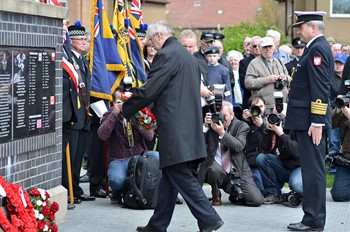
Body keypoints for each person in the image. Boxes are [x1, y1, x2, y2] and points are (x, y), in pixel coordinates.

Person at [119, 21, 223, 232]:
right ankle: (157, 225)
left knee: (180, 175)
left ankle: (209, 218)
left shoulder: (166, 55)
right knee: (169, 176)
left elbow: (151, 90)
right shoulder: (188, 57)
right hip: (187, 127)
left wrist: (126, 106)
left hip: (175, 128)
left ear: (158, 36)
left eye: (151, 40)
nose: (151, 44)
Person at [285, 11, 333, 231]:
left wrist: (317, 122)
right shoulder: (314, 48)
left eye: (301, 26)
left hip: (310, 123)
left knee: (313, 172)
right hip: (306, 120)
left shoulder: (317, 49)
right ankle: (311, 218)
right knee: (311, 171)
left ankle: (313, 221)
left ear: (313, 28)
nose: (298, 30)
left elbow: (320, 89)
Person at [97, 87, 159, 204]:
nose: (123, 105)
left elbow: (150, 136)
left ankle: (149, 190)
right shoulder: (109, 115)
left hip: (139, 156)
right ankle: (118, 191)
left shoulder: (138, 113)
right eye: (119, 102)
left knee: (159, 158)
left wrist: (135, 118)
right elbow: (102, 135)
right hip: (119, 159)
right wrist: (114, 115)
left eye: (126, 101)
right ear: (114, 103)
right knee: (116, 180)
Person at [197, 101, 264, 207]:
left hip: (238, 170)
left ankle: (235, 194)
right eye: (219, 115)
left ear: (232, 115)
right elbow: (197, 143)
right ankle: (216, 195)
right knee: (213, 170)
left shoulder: (242, 126)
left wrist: (222, 133)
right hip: (218, 169)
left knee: (257, 200)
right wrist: (205, 125)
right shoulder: (212, 125)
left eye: (225, 116)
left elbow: (239, 146)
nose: (221, 119)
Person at [62, 23, 95, 202]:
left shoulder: (82, 61)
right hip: (74, 115)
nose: (84, 42)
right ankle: (69, 189)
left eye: (85, 39)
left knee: (79, 155)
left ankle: (75, 187)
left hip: (84, 115)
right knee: (72, 155)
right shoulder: (68, 60)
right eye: (80, 40)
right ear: (71, 41)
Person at [256, 118, 303, 204]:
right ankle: (273, 194)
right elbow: (265, 149)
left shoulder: (299, 127)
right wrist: (267, 131)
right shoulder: (277, 128)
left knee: (297, 185)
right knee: (262, 158)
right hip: (284, 165)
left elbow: (296, 152)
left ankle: (301, 195)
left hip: (299, 167)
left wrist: (281, 134)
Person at [245, 36, 290, 113]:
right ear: (260, 48)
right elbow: (248, 83)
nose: (267, 49)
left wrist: (285, 78)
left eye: (270, 46)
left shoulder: (279, 62)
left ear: (274, 48)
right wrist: (267, 80)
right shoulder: (254, 63)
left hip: (282, 104)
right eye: (265, 47)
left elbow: (290, 79)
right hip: (265, 106)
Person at [242, 95, 267, 196]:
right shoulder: (244, 124)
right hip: (251, 166)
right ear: (249, 109)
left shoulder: (270, 123)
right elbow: (241, 144)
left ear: (265, 107)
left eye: (260, 106)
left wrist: (262, 127)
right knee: (259, 191)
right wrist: (245, 122)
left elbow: (270, 146)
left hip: (265, 166)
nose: (258, 110)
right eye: (255, 107)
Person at [330, 91, 350, 202]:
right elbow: (331, 124)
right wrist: (338, 109)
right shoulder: (346, 107)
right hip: (347, 159)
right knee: (338, 195)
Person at [239, 36, 261, 110]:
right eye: (254, 46)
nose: (257, 48)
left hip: (265, 100)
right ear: (250, 48)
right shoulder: (244, 62)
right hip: (250, 99)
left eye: (259, 45)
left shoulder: (268, 61)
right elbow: (244, 84)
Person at [227, 50, 244, 117]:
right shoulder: (227, 74)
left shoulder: (242, 74)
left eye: (235, 60)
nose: (233, 62)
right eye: (231, 60)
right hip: (233, 106)